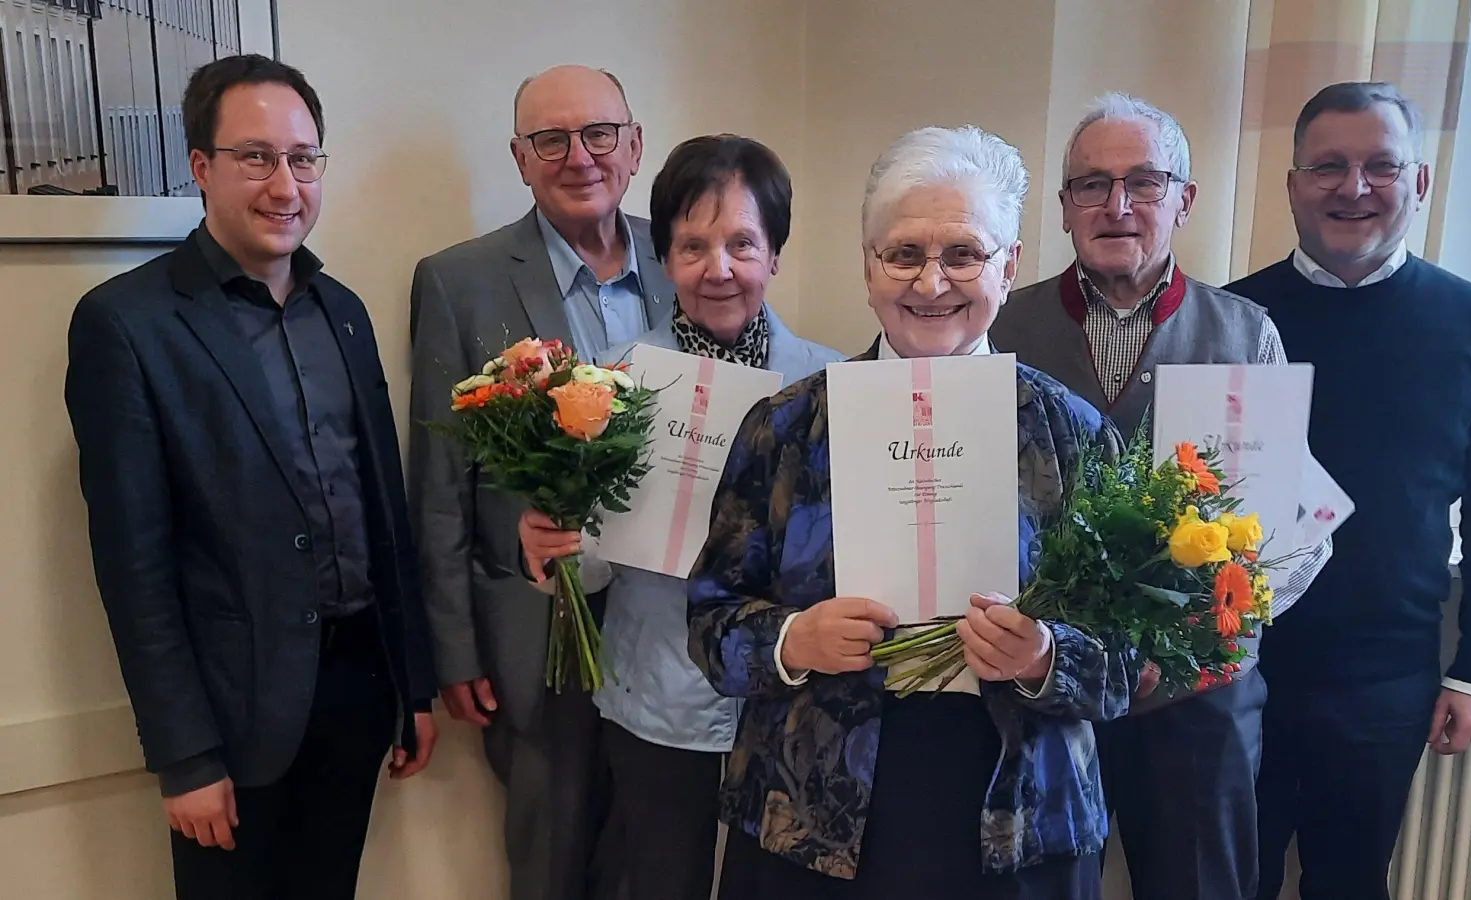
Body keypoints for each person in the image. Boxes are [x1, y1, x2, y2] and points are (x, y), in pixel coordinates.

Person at [687, 124, 1145, 900]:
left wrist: (1043, 657)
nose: (932, 284)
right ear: (869, 269)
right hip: (813, 823)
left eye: (963, 253)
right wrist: (796, 638)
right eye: (903, 254)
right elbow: (708, 624)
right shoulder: (787, 426)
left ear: (1008, 267)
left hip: (1020, 825)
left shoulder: (1073, 435)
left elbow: (1131, 659)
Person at [63, 54, 437, 900]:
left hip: (357, 690)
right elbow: (134, 567)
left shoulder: (342, 310)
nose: (285, 184)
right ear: (201, 167)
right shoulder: (128, 325)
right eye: (256, 157)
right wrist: (184, 755)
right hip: (232, 719)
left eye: (303, 158)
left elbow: (383, 509)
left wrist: (413, 684)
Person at [991, 92, 1328, 900]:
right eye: (1091, 185)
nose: (1117, 205)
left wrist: (1207, 638)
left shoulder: (1247, 334)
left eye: (1144, 181)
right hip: (1042, 687)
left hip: (1197, 701)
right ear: (1065, 208)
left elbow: (1293, 533)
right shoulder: (1000, 327)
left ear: (1185, 200)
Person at [1225, 81, 1471, 900]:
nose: (1353, 188)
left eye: (1380, 167)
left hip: (1384, 677)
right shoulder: (1232, 319)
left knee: (1351, 883)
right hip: (1238, 665)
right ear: (1292, 185)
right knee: (1227, 882)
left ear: (1420, 183)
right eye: (1327, 167)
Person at [517, 133, 844, 900]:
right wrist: (556, 543)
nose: (719, 268)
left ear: (775, 256)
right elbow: (591, 567)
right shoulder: (613, 383)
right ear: (664, 258)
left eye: (742, 243)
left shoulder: (829, 384)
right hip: (658, 700)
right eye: (693, 245)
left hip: (785, 699)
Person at [407, 64, 673, 900]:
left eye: (599, 134)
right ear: (519, 159)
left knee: (651, 861)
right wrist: (451, 649)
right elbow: (441, 480)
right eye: (550, 139)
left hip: (668, 629)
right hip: (538, 631)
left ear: (633, 146)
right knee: (550, 861)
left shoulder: (689, 259)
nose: (579, 157)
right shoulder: (458, 280)